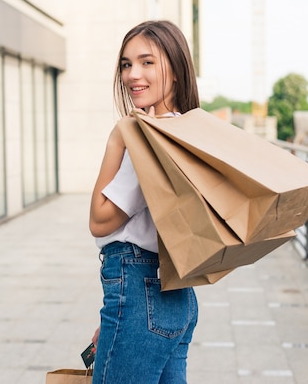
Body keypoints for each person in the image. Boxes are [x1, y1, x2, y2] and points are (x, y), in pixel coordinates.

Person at [89, 20, 201, 384]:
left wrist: (117, 139)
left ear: (176, 69)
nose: (132, 74)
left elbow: (100, 219)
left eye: (147, 62)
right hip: (174, 296)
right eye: (126, 64)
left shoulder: (149, 137)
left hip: (141, 290)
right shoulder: (186, 129)